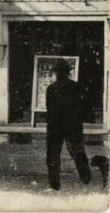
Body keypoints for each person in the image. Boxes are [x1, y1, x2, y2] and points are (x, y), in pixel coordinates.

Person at [46, 59, 91, 190]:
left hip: (62, 126)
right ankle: (83, 177)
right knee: (72, 153)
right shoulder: (74, 87)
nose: (58, 74)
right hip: (67, 126)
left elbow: (50, 109)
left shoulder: (52, 89)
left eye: (59, 72)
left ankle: (56, 183)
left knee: (62, 154)